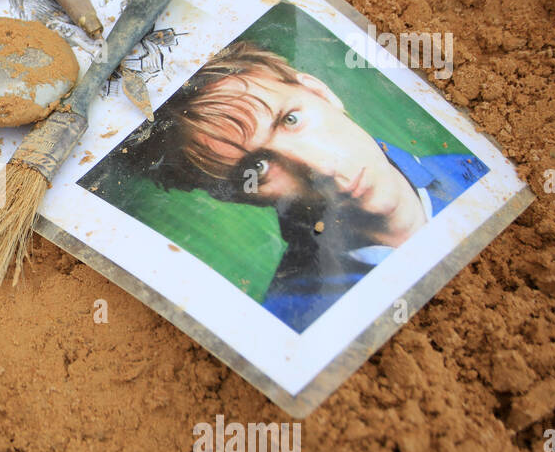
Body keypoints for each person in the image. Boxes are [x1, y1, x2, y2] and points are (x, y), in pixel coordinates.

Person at [147, 42, 487, 332]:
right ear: (241, 198)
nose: (321, 168)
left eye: (290, 120)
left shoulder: (472, 171)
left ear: (320, 91)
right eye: (258, 168)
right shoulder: (295, 324)